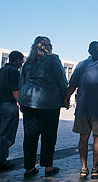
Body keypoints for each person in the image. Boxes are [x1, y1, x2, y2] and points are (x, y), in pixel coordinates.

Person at [64, 41, 98, 179]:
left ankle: (83, 168)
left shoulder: (81, 65)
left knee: (83, 137)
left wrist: (66, 98)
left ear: (88, 51)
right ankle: (95, 169)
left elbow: (73, 85)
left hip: (83, 107)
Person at [18, 36, 67, 178]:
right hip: (49, 103)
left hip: (28, 101)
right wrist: (64, 98)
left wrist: (23, 100)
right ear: (49, 47)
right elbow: (62, 81)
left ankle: (28, 168)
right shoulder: (53, 60)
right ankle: (48, 166)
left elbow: (22, 82)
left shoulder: (28, 62)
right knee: (49, 135)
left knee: (30, 136)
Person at [0, 51, 24, 171]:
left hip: (1, 104)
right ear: (16, 60)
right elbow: (15, 90)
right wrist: (21, 103)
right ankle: (2, 160)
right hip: (9, 106)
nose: (22, 63)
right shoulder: (14, 72)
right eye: (21, 60)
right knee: (6, 134)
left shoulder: (2, 70)